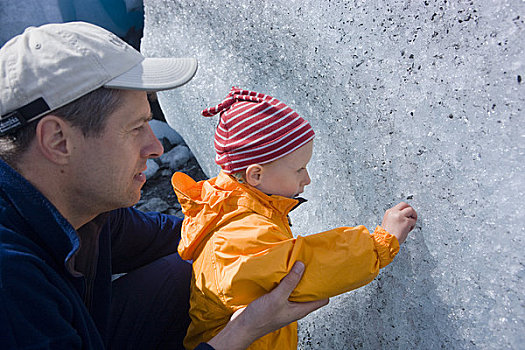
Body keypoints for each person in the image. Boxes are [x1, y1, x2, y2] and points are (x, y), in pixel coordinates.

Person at [0, 22, 327, 350]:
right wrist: (243, 331)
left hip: (84, 327)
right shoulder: (11, 279)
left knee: (216, 264)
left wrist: (253, 231)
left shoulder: (80, 206)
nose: (155, 146)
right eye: (136, 127)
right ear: (58, 140)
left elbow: (184, 238)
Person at [171, 87, 418, 349]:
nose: (307, 179)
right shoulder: (241, 236)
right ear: (256, 175)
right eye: (299, 169)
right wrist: (381, 241)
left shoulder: (231, 203)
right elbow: (311, 265)